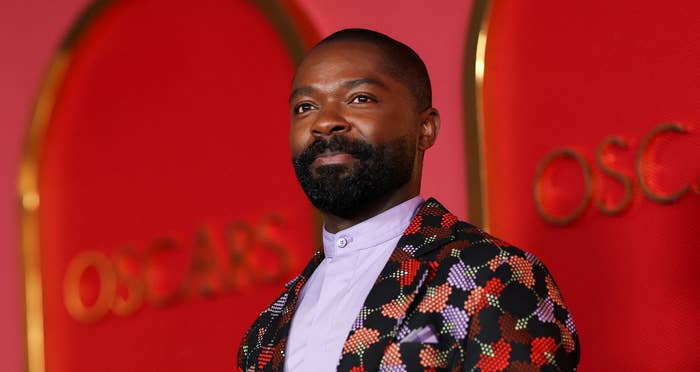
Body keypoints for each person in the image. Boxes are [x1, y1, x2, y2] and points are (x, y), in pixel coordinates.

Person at [237, 28, 580, 372]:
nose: (324, 122)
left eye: (360, 99)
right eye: (305, 106)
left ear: (425, 128)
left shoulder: (493, 274)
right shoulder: (265, 332)